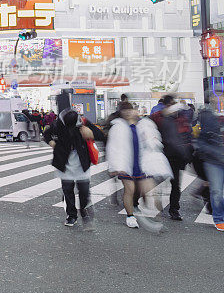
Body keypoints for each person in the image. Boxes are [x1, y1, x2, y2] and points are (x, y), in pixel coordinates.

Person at [106, 102, 173, 231]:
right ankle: (130, 216)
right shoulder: (118, 127)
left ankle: (154, 215)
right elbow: (113, 148)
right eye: (124, 110)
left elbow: (154, 141)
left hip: (142, 163)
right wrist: (115, 166)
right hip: (125, 163)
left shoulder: (144, 124)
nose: (127, 112)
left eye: (129, 110)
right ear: (120, 113)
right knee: (129, 190)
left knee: (148, 190)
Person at [43, 99, 105, 228]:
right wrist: (52, 143)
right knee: (68, 191)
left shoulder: (83, 123)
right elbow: (46, 134)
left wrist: (90, 133)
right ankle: (71, 215)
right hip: (64, 163)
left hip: (81, 163)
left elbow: (101, 135)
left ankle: (84, 211)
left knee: (84, 191)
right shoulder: (57, 124)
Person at [152, 95, 192, 221]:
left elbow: (187, 134)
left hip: (177, 157)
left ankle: (174, 209)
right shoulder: (160, 118)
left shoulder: (181, 118)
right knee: (155, 181)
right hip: (163, 156)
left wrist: (187, 153)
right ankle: (138, 200)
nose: (173, 108)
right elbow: (150, 120)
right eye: (170, 105)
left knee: (175, 185)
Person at [195, 93, 224, 232]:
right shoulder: (206, 115)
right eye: (217, 96)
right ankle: (219, 218)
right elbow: (199, 140)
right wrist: (211, 151)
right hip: (213, 160)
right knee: (217, 191)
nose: (220, 99)